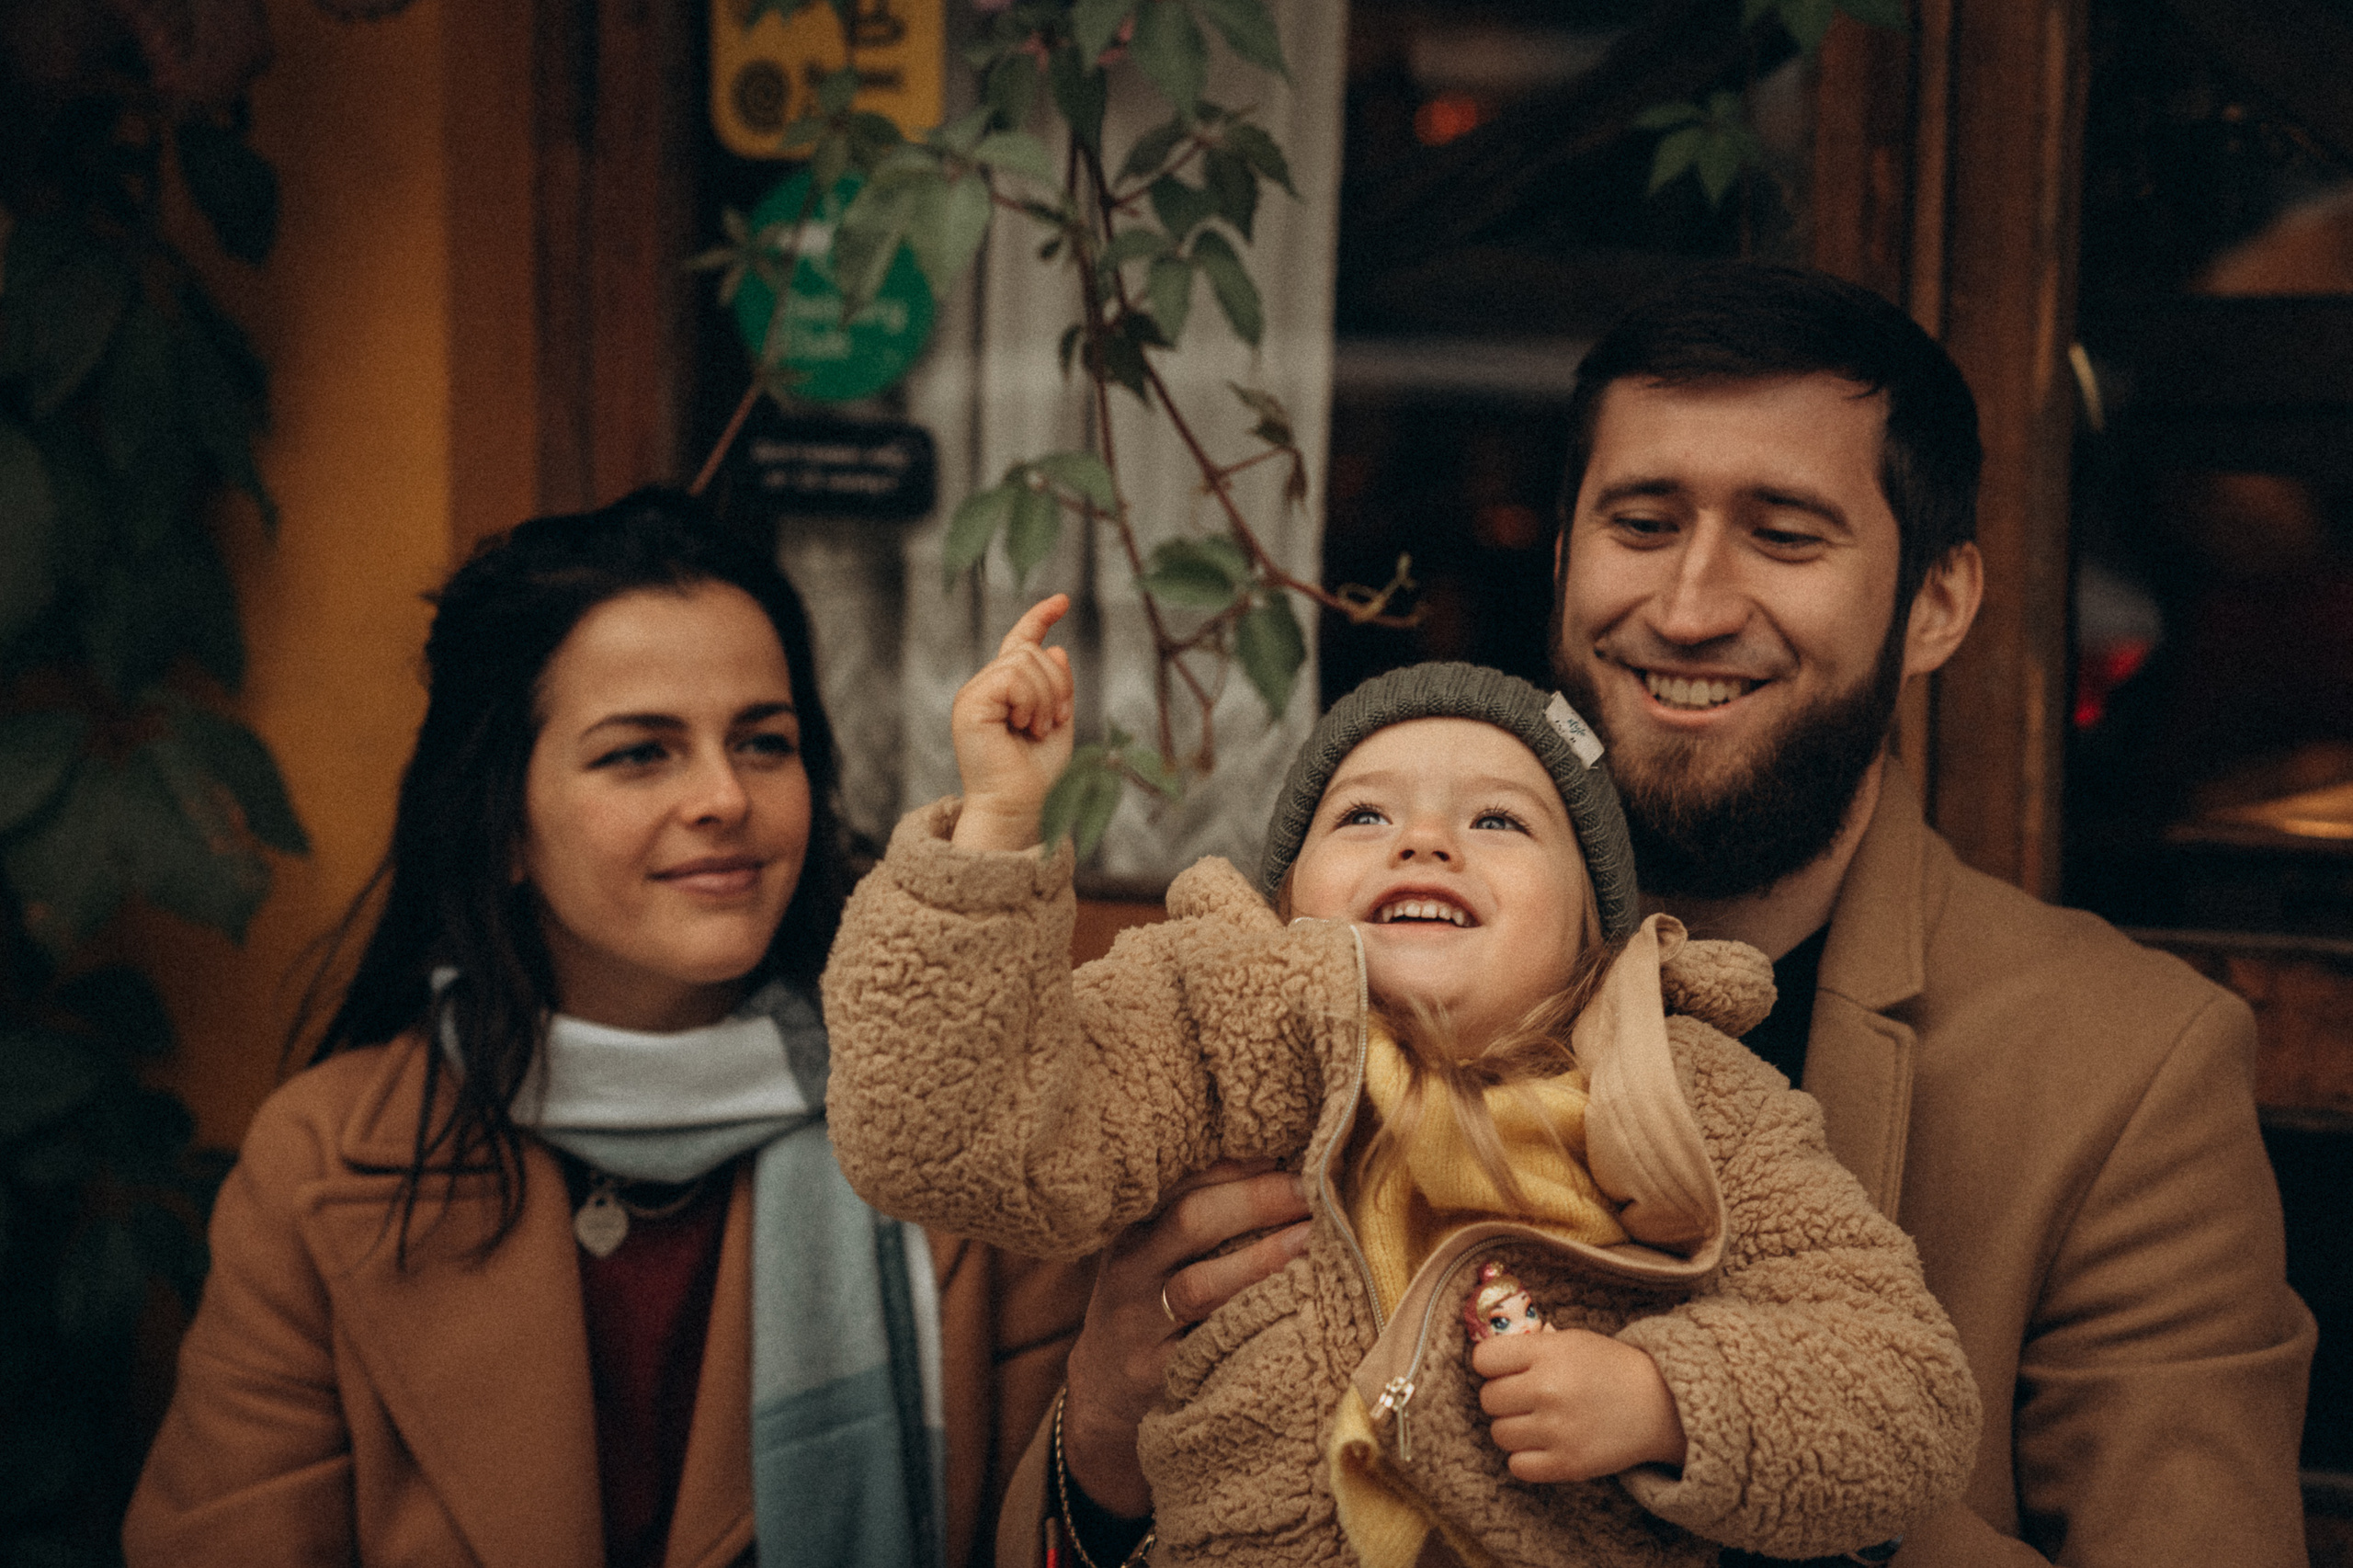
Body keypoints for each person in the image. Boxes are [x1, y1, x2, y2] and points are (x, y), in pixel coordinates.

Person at [824, 621, 1982, 1566]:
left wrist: (1662, 1397)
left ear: (1595, 935)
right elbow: (948, 1140)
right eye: (1363, 814)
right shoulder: (1216, 1024)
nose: (1424, 840)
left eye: (1498, 820)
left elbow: (1908, 1392)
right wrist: (993, 831)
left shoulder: (1684, 1091)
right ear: (1288, 901)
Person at [123, 489, 1081, 1568]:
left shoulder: (969, 1133)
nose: (724, 795)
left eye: (764, 741)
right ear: (503, 826)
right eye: (640, 753)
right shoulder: (322, 1161)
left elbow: (1069, 1528)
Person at [1546, 263, 2315, 1565]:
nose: (1686, 606)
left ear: (1940, 604)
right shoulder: (1365, 959)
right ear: (1565, 556)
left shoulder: (2127, 1067)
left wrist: (1784, 1456)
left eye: (1786, 535)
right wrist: (1102, 1434)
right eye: (1641, 521)